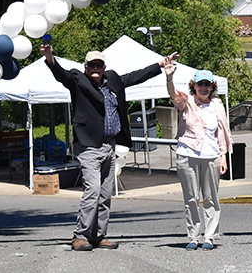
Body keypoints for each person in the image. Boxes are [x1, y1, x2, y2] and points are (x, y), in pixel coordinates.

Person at [41, 41, 175, 251]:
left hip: (109, 146)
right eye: (92, 65)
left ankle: (98, 235)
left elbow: (136, 76)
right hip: (89, 146)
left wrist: (160, 65)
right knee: (92, 191)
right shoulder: (78, 79)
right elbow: (62, 75)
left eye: (99, 65)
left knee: (105, 194)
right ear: (86, 67)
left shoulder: (112, 79)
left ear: (104, 67)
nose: (96, 69)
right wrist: (50, 58)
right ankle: (80, 235)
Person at [164, 61, 232, 250]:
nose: (204, 87)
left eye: (207, 84)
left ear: (212, 87)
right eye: (200, 84)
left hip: (212, 156)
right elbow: (173, 95)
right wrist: (169, 77)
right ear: (194, 85)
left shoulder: (217, 105)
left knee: (211, 198)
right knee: (191, 197)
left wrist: (224, 155)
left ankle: (209, 237)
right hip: (187, 154)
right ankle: (193, 236)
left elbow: (222, 132)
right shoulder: (187, 102)